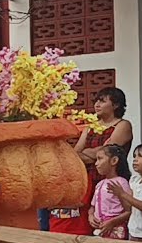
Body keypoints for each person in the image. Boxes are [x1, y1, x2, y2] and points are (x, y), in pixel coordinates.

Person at [50, 87, 133, 235]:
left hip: (111, 179)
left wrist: (89, 153)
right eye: (96, 101)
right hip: (87, 179)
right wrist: (93, 154)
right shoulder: (91, 126)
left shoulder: (122, 125)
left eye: (102, 101)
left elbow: (107, 151)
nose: (97, 105)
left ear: (115, 105)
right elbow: (74, 154)